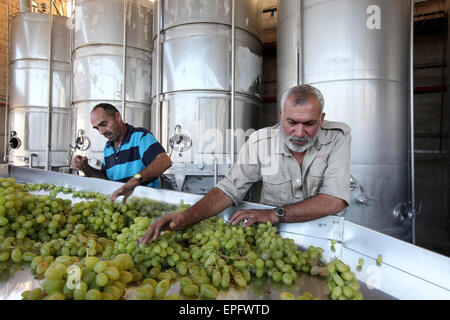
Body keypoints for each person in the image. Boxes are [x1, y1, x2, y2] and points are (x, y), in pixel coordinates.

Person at [140, 84, 351, 244]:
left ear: (321, 120)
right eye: (292, 122)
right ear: (281, 116)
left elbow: (334, 200)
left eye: (309, 124)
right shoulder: (260, 141)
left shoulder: (337, 138)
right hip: (272, 239)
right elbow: (230, 189)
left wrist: (273, 214)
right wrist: (188, 216)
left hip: (324, 237)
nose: (299, 133)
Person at [70, 103, 172, 203]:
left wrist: (135, 180)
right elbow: (106, 180)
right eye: (97, 128)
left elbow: (164, 161)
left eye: (104, 124)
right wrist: (84, 167)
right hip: (121, 207)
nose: (101, 132)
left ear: (117, 117)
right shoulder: (108, 147)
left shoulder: (140, 136)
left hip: (144, 207)